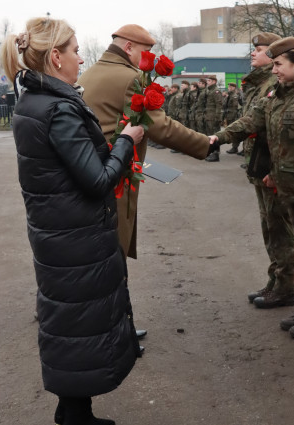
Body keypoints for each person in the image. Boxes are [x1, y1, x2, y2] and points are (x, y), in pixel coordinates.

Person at [3, 17, 145, 425]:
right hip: (76, 235)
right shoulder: (58, 108)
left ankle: (72, 416)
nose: (83, 56)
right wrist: (126, 140)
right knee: (79, 325)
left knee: (71, 325)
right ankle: (75, 422)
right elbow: (96, 179)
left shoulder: (33, 102)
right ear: (56, 57)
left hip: (59, 233)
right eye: (77, 49)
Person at [212, 37, 294, 339]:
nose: (275, 69)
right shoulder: (276, 95)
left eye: (279, 64)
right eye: (274, 64)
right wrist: (214, 139)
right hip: (286, 185)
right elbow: (249, 121)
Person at [79, 24, 211, 262]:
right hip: (114, 176)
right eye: (146, 51)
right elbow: (159, 126)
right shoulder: (131, 78)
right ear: (128, 47)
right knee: (113, 253)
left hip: (90, 172)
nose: (149, 59)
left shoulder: (88, 74)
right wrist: (204, 143)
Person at [204, 74, 223, 162]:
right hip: (209, 116)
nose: (208, 82)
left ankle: (216, 154)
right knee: (209, 135)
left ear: (214, 81)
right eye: (207, 81)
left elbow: (219, 105)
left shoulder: (216, 91)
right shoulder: (209, 91)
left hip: (214, 117)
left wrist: (218, 118)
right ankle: (211, 152)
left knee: (214, 136)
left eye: (209, 81)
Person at [222, 83, 241, 154]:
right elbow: (224, 105)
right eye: (228, 87)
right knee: (231, 132)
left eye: (230, 87)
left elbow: (235, 107)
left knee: (235, 132)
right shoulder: (228, 96)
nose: (229, 88)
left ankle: (235, 147)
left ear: (233, 88)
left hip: (233, 116)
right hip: (229, 115)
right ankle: (234, 147)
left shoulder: (234, 96)